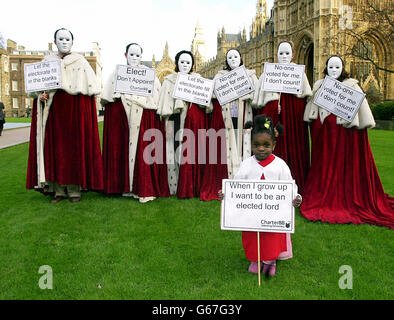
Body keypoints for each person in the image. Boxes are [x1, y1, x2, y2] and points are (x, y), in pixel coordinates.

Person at [301, 56, 394, 229]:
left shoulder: (352, 87)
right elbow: (312, 112)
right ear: (326, 68)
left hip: (343, 139)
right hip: (324, 141)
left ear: (342, 68)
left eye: (337, 67)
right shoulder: (320, 86)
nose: (334, 70)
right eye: (331, 67)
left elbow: (359, 114)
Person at [26, 28, 103, 203]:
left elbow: (90, 89)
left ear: (72, 42)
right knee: (55, 150)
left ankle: (75, 190)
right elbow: (37, 90)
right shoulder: (47, 62)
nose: (64, 42)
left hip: (74, 112)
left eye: (67, 39)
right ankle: (58, 190)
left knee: (73, 150)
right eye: (60, 39)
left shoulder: (80, 62)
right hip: (53, 113)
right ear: (55, 42)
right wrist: (40, 96)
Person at [219, 114, 302, 276]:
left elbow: (289, 186)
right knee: (252, 237)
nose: (261, 148)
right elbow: (237, 185)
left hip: (272, 213)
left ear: (274, 145)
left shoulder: (280, 165)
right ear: (251, 145)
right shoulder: (246, 164)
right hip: (251, 213)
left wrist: (295, 198)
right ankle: (255, 259)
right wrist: (226, 194)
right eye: (256, 145)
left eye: (266, 145)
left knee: (271, 238)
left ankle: (270, 261)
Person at [101, 42, 170, 202]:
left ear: (141, 57)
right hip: (123, 116)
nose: (134, 58)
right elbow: (109, 99)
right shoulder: (116, 74)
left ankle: (142, 186)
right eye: (131, 54)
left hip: (143, 117)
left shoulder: (149, 75)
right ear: (125, 55)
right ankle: (122, 186)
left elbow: (156, 100)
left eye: (137, 55)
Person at [252, 41, 312, 195]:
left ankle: (296, 185)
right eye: (281, 53)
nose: (284, 56)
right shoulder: (267, 74)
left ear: (292, 55)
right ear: (276, 55)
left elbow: (303, 101)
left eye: (287, 53)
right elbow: (260, 105)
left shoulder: (299, 74)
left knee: (294, 147)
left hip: (293, 122)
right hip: (273, 121)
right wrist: (272, 105)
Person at [199, 48, 258, 201]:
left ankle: (243, 182)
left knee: (242, 148)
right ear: (226, 60)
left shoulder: (249, 75)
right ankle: (227, 178)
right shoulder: (219, 77)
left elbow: (257, 95)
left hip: (243, 116)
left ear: (241, 58)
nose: (233, 59)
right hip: (225, 117)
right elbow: (212, 95)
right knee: (225, 149)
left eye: (236, 56)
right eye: (230, 57)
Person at [158, 50, 210, 198]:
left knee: (192, 153)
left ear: (193, 64)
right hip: (174, 119)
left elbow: (205, 103)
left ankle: (191, 184)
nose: (185, 65)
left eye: (188, 62)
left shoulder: (198, 80)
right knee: (174, 150)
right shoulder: (169, 81)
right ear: (177, 63)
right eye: (182, 62)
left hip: (193, 121)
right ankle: (175, 184)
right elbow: (164, 104)